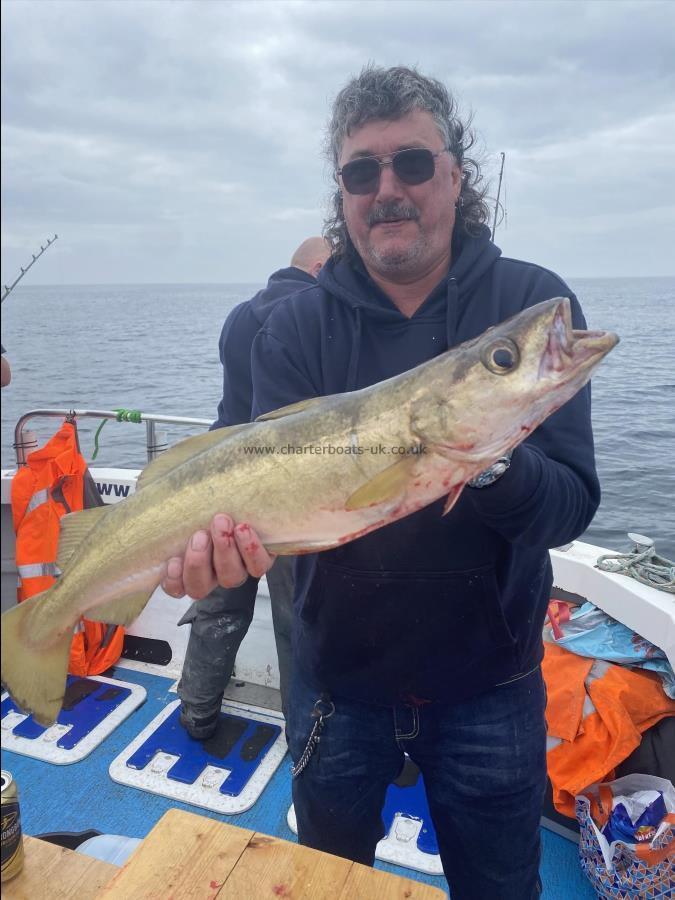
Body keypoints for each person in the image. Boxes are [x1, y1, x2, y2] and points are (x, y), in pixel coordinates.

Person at [162, 66, 601, 899]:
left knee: (503, 888)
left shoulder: (530, 302)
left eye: (411, 163)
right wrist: (219, 554)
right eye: (362, 171)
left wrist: (485, 453)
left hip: (491, 689)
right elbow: (269, 502)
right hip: (338, 688)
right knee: (329, 884)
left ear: (455, 175)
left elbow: (571, 509)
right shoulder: (291, 328)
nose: (386, 189)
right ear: (342, 191)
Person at [177, 237, 330, 739]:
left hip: (221, 483)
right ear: (320, 267)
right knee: (294, 623)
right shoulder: (314, 319)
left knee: (219, 608)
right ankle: (300, 738)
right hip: (281, 495)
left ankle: (197, 712)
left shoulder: (239, 315)